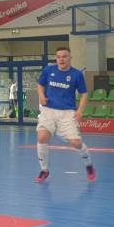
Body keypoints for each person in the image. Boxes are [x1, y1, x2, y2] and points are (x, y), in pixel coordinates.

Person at [35, 47, 96, 184]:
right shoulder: (48, 70)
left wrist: (80, 111)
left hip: (67, 113)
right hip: (48, 110)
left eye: (64, 56)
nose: (61, 59)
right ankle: (44, 170)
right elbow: (40, 85)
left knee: (76, 143)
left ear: (70, 58)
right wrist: (41, 96)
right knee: (42, 137)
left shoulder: (77, 74)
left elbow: (84, 94)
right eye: (58, 57)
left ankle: (89, 164)